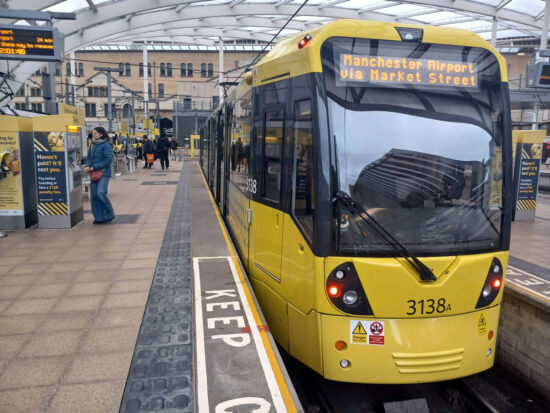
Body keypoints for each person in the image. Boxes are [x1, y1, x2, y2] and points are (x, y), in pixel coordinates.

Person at [85, 126, 115, 224]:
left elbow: (108, 160)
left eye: (95, 133)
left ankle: (110, 214)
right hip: (94, 173)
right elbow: (89, 158)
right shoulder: (92, 145)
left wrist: (94, 167)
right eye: (92, 133)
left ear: (101, 134)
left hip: (104, 173)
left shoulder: (106, 145)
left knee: (100, 193)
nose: (93, 135)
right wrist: (88, 165)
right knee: (94, 196)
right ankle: (99, 217)